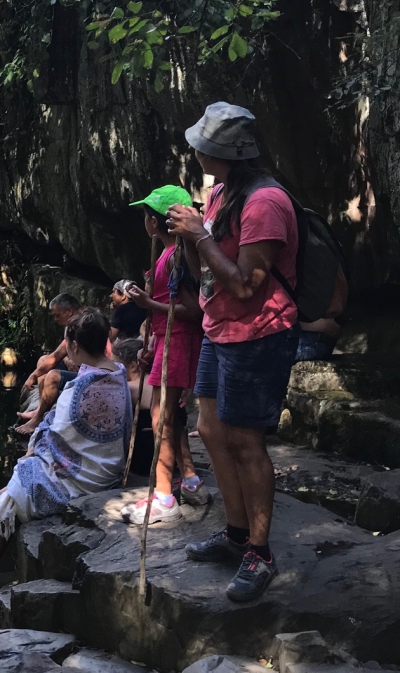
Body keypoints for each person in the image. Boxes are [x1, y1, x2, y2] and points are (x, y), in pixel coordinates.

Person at [167, 102, 300, 602]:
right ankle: (237, 533)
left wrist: (199, 235)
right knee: (209, 429)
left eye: (202, 141)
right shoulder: (222, 191)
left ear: (223, 150)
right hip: (219, 328)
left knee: (246, 441)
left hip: (259, 333)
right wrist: (187, 236)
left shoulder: (266, 202)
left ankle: (260, 554)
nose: (194, 147)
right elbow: (206, 267)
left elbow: (247, 285)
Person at [0, 309, 131, 608]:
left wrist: (33, 454)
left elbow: (57, 439)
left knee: (5, 502)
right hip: (104, 470)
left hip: (81, 480)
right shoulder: (116, 374)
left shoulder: (83, 386)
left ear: (74, 346)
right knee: (6, 492)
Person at [122, 185, 211, 524]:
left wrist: (148, 304)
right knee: (169, 414)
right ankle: (188, 478)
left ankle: (163, 498)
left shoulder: (177, 257)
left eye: (146, 215)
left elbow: (192, 310)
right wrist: (151, 342)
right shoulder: (168, 256)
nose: (144, 221)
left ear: (155, 223)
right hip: (166, 339)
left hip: (178, 339)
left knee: (161, 419)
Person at [15, 293, 81, 435]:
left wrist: (33, 376)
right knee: (43, 361)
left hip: (88, 372)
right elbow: (57, 355)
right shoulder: (72, 325)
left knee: (53, 375)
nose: (55, 319)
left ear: (69, 311)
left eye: (57, 315)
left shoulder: (82, 326)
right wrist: (66, 360)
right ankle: (40, 408)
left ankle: (38, 419)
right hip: (78, 367)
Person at [110, 337, 154, 478]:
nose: (113, 370)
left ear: (133, 366)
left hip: (142, 462)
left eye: (116, 365)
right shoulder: (160, 386)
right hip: (170, 459)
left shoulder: (129, 388)